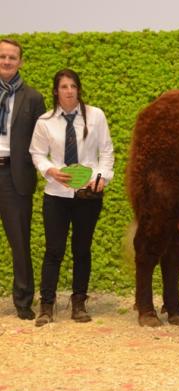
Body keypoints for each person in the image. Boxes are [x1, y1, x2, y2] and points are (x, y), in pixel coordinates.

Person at [29, 68, 114, 326]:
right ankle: (47, 305)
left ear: (79, 89)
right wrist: (50, 170)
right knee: (54, 250)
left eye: (73, 86)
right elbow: (37, 153)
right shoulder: (45, 122)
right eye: (64, 86)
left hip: (87, 195)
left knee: (82, 250)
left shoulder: (96, 116)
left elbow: (107, 152)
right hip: (56, 194)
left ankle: (79, 303)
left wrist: (100, 179)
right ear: (56, 91)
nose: (69, 91)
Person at [0, 38, 46, 320]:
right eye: (2, 56)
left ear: (20, 62)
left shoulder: (33, 98)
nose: (6, 61)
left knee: (20, 241)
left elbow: (41, 142)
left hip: (13, 177)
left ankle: (23, 301)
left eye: (12, 57)